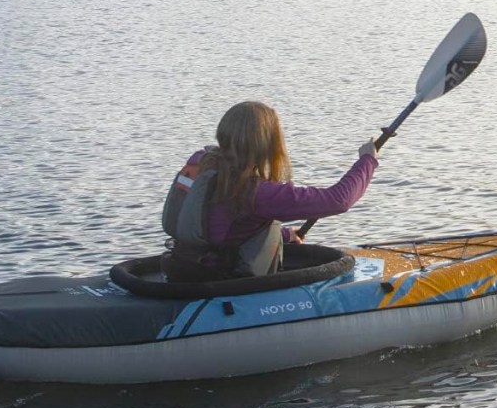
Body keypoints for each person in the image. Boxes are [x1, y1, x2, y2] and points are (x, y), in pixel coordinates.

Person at [161, 100, 379, 282]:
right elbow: (338, 200)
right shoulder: (256, 192)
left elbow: (219, 226)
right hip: (222, 282)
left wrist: (283, 235)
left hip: (184, 269)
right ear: (267, 144)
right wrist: (367, 159)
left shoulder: (200, 164)